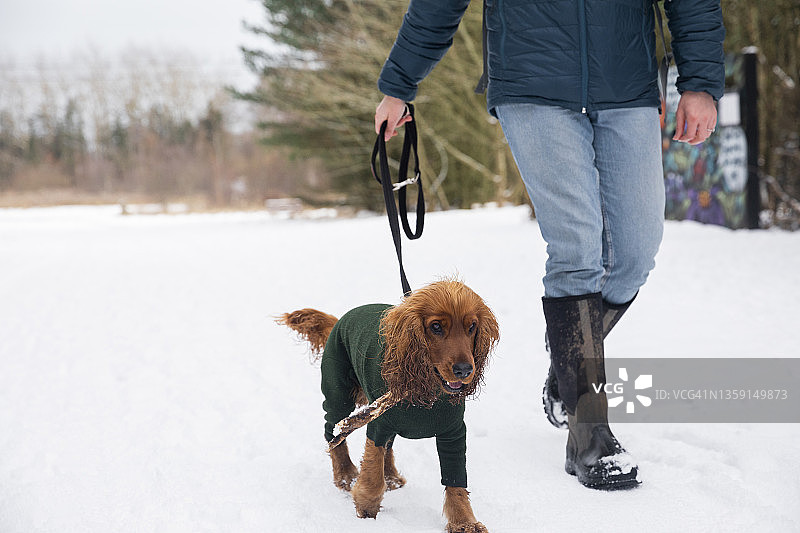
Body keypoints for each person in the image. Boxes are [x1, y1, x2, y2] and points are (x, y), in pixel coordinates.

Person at [375, 0, 725, 490]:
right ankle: (590, 440)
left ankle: (568, 364)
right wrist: (398, 85)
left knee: (635, 254)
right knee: (577, 250)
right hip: (532, 83)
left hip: (628, 82)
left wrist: (701, 82)